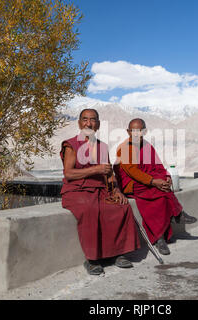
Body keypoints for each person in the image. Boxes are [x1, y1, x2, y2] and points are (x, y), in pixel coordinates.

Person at [60, 109, 140, 275]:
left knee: (122, 207)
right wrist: (95, 169)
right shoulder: (71, 145)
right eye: (85, 119)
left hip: (101, 189)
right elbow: (69, 173)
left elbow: (108, 172)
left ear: (98, 124)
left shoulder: (102, 146)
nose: (89, 123)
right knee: (90, 210)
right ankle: (92, 259)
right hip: (77, 190)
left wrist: (116, 189)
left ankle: (118, 253)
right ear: (79, 123)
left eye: (93, 120)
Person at [115, 118, 197, 255]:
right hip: (130, 184)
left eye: (140, 131)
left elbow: (157, 166)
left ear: (145, 131)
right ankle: (176, 214)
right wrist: (154, 182)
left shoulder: (147, 147)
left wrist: (166, 177)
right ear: (128, 132)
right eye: (133, 131)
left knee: (161, 192)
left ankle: (160, 238)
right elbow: (132, 172)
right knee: (157, 188)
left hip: (147, 183)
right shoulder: (125, 148)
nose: (136, 134)